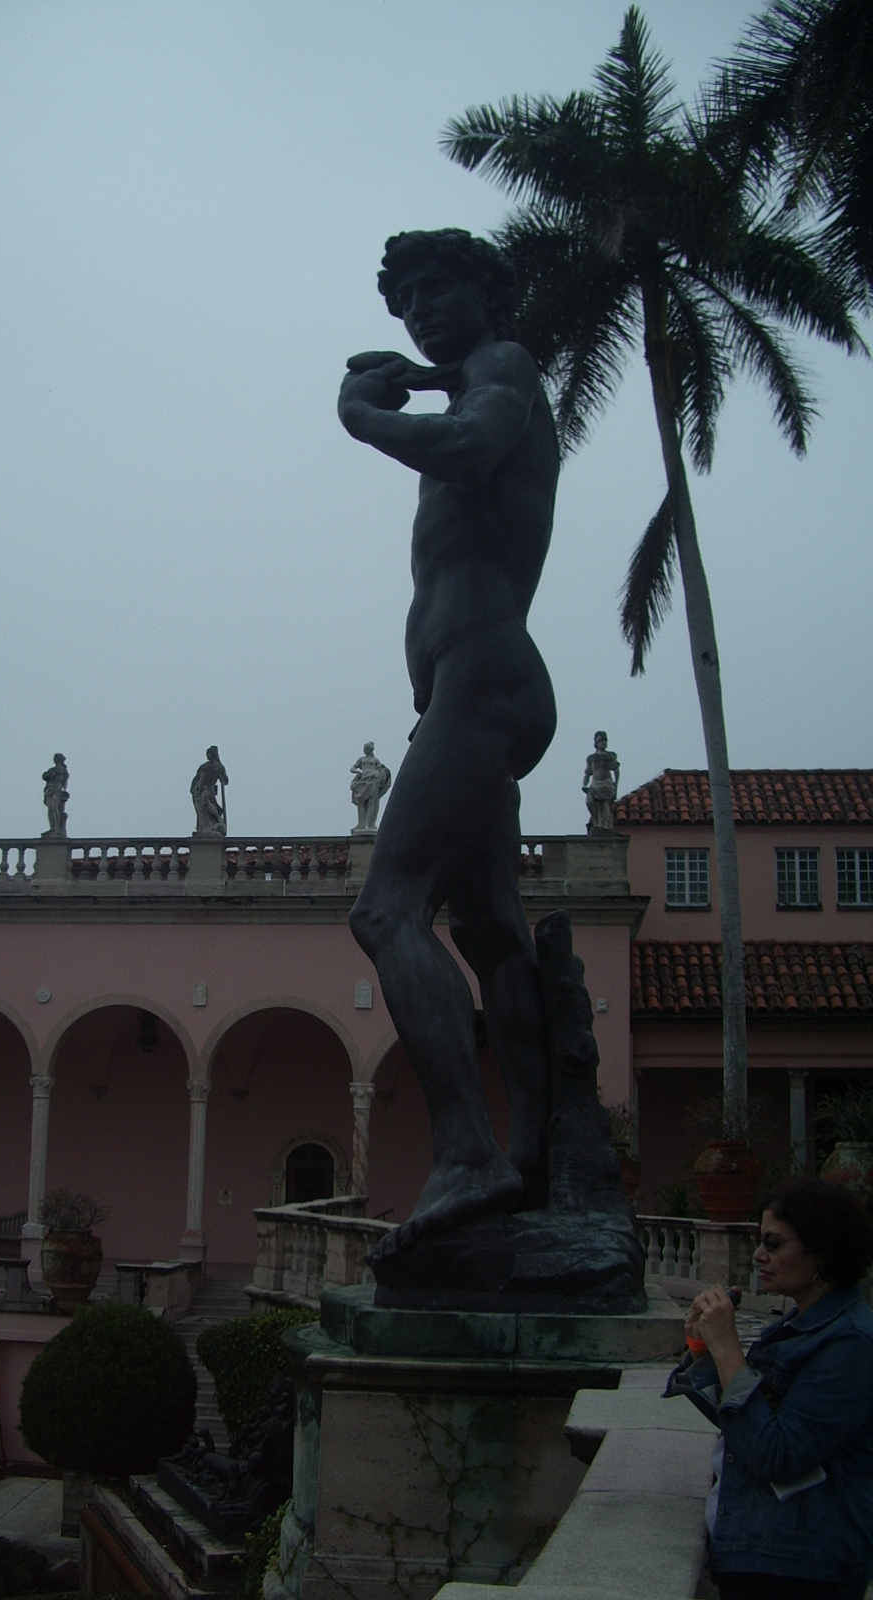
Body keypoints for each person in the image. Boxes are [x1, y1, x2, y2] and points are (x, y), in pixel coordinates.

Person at [338, 229, 559, 1251]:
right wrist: (419, 385)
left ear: (485, 292)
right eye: (405, 301)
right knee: (489, 929)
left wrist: (366, 417)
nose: (419, 309)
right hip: (471, 689)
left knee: (387, 910)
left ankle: (469, 1153)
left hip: (482, 675)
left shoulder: (503, 368)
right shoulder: (474, 377)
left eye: (435, 289)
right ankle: (538, 1157)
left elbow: (473, 445)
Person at [684, 1179, 873, 1599]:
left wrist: (728, 1348)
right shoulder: (794, 1327)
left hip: (801, 1568)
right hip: (763, 1555)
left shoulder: (851, 1343)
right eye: (760, 1241)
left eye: (773, 1243)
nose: (758, 1255)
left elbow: (779, 1454)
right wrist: (704, 1350)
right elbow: (742, 1427)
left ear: (822, 1252)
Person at [582, 730, 619, 832]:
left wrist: (616, 785)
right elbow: (587, 773)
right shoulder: (591, 758)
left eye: (605, 741)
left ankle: (604, 825)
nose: (603, 743)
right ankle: (596, 821)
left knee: (605, 807)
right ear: (596, 743)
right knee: (590, 802)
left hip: (607, 782)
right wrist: (584, 784)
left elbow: (616, 770)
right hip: (595, 783)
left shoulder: (610, 756)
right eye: (601, 741)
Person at [350, 742, 392, 832]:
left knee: (372, 802)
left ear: (369, 749)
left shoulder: (375, 760)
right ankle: (361, 824)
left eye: (365, 749)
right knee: (361, 803)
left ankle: (368, 824)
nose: (364, 750)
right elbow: (352, 768)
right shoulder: (361, 759)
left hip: (373, 780)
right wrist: (358, 772)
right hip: (363, 781)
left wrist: (381, 773)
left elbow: (382, 769)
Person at [191, 746, 228, 838]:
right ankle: (205, 827)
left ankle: (218, 819)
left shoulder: (219, 767)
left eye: (209, 754)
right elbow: (197, 778)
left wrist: (222, 774)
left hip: (209, 790)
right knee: (201, 810)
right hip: (199, 791)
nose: (208, 756)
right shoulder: (204, 767)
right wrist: (195, 788)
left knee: (205, 802)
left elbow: (225, 781)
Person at [42, 754, 70, 838]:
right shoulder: (52, 770)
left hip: (57, 789)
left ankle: (57, 828)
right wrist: (50, 775)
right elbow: (44, 776)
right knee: (51, 809)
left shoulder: (63, 771)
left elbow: (65, 782)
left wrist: (64, 790)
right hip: (49, 789)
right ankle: (52, 828)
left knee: (55, 807)